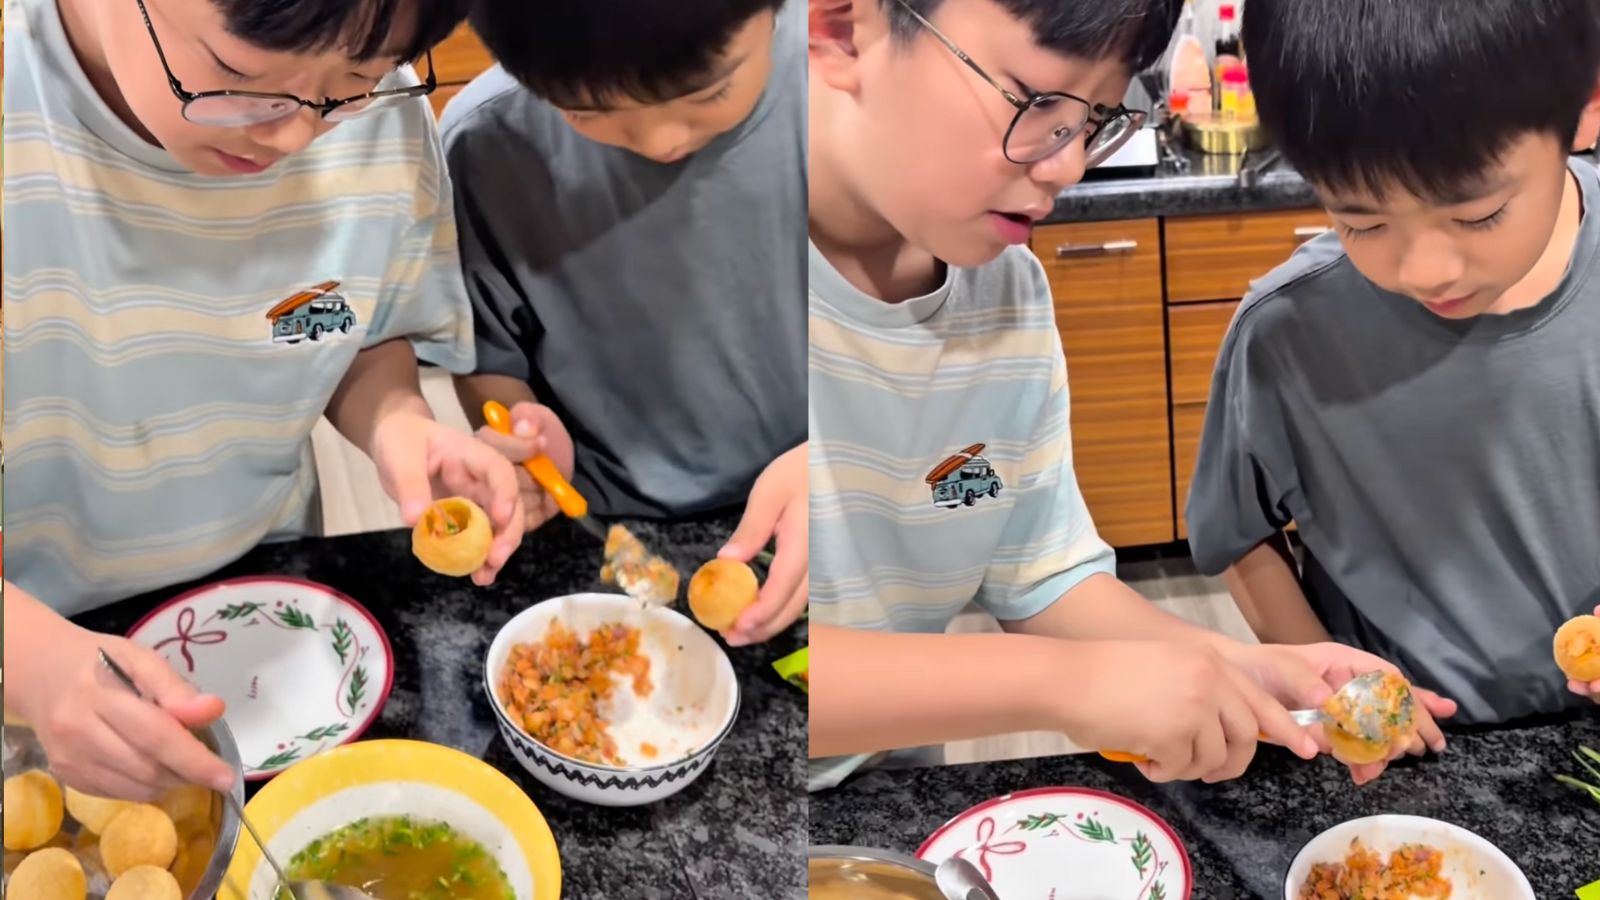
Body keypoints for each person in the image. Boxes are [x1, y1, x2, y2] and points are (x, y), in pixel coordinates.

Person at [805, 0, 1455, 792]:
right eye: (1036, 102)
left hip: (882, 784)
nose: (1067, 166)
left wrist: (1236, 668)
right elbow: (755, 659)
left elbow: (1037, 572)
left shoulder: (1004, 294)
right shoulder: (708, 279)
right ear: (842, 28)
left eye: (1094, 121)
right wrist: (1062, 685)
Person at [2, 0, 523, 801]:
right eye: (241, 76)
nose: (292, 133)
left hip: (265, 618)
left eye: (353, 82)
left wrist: (397, 422)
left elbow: (351, 325)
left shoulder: (376, 124)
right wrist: (28, 656)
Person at [1186, 0, 1600, 752]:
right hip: (1404, 755)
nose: (1424, 271)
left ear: (1586, 107)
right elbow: (1238, 536)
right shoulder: (1289, 332)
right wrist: (1336, 689)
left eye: (1477, 215)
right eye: (1363, 223)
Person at [441, 0, 808, 646]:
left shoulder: (853, 78)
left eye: (708, 91)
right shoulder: (487, 143)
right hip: (605, 528)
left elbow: (941, 334)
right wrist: (524, 438)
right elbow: (490, 358)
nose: (662, 140)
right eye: (587, 111)